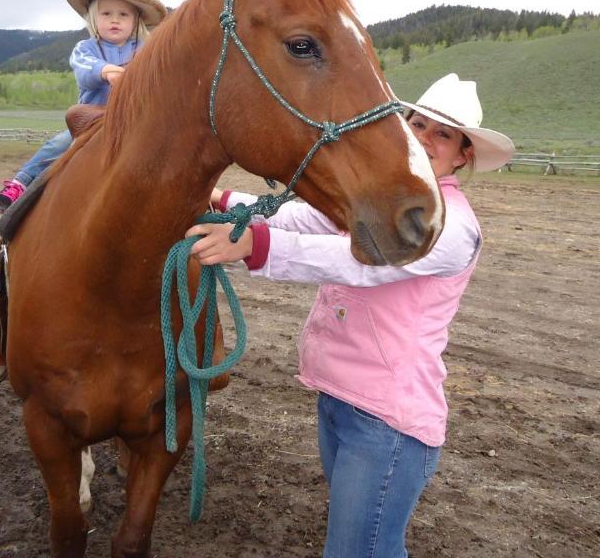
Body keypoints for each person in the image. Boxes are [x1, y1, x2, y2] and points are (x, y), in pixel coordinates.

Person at [186, 73, 515, 558]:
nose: (424, 139)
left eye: (442, 134)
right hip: (342, 401)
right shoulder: (383, 196)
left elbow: (361, 261)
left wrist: (256, 245)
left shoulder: (451, 226)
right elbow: (309, 217)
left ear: (463, 154)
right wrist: (227, 202)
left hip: (389, 421)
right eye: (417, 124)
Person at [0, 0, 167, 213]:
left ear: (135, 20)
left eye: (123, 14)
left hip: (134, 121)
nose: (115, 19)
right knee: (58, 145)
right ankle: (20, 184)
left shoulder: (147, 49)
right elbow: (84, 69)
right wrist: (106, 71)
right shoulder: (86, 48)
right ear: (94, 18)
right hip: (91, 121)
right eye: (106, 13)